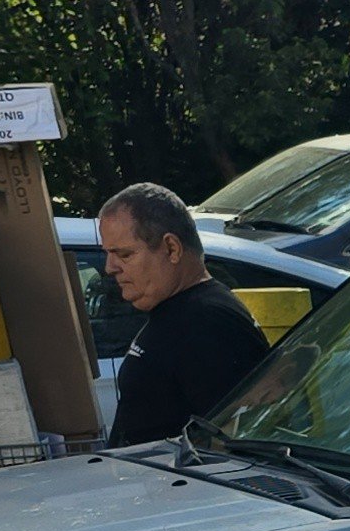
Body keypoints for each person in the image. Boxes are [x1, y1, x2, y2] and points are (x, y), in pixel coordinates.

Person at [97, 182, 272, 443]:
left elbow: (237, 439)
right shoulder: (182, 310)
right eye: (108, 254)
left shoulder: (208, 321)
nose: (110, 267)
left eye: (124, 254)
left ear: (172, 248)